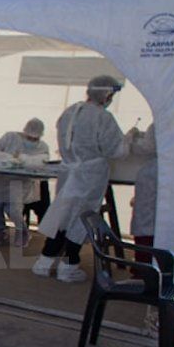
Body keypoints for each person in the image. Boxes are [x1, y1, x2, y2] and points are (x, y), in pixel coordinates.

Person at [34, 75, 133, 282]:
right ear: (107, 94)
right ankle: (68, 266)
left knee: (61, 216)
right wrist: (129, 140)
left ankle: (45, 261)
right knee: (81, 219)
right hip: (89, 175)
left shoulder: (69, 112)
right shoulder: (102, 117)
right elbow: (115, 150)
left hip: (69, 172)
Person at [0, 118, 50, 247]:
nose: (31, 141)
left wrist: (23, 160)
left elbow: (42, 162)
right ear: (24, 132)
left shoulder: (43, 147)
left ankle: (22, 232)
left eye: (34, 139)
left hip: (20, 182)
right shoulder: (10, 137)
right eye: (29, 137)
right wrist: (6, 158)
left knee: (13, 210)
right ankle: (0, 230)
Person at [129, 123, 157, 258]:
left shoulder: (161, 122)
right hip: (172, 178)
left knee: (145, 221)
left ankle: (143, 265)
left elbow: (148, 147)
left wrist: (131, 139)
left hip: (154, 176)